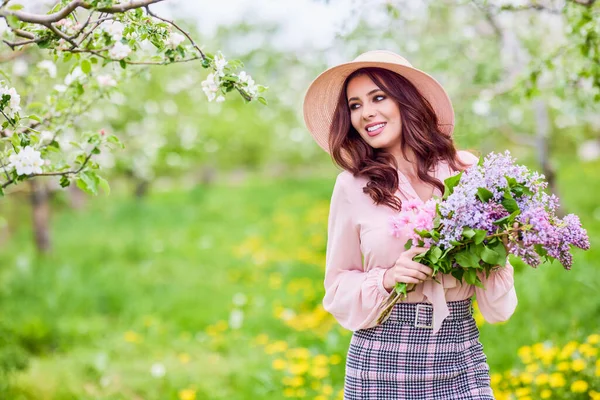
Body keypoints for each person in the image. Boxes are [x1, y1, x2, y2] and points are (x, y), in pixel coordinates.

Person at [302, 50, 517, 399]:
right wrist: (387, 278)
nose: (365, 113)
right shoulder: (352, 186)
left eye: (378, 97)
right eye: (354, 105)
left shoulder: (464, 170)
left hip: (460, 355)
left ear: (406, 101)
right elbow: (336, 288)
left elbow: (497, 307)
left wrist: (497, 247)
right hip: (381, 360)